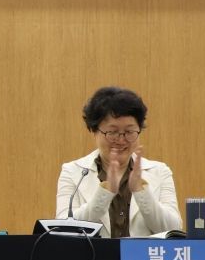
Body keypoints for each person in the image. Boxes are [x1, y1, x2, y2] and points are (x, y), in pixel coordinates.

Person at [56, 86, 181, 237]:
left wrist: (141, 192)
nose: (121, 140)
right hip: (93, 253)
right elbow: (63, 229)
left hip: (141, 253)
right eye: (113, 132)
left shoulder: (160, 172)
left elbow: (173, 230)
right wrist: (105, 193)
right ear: (94, 131)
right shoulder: (73, 172)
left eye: (129, 132)